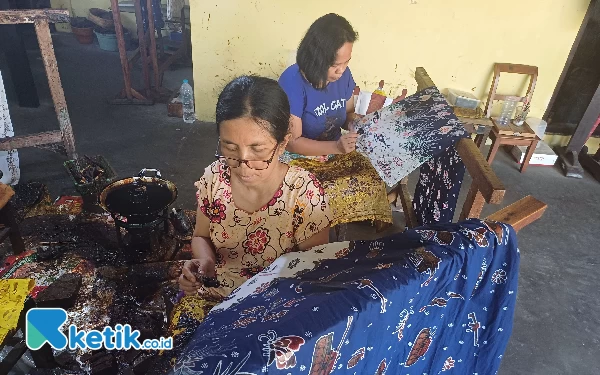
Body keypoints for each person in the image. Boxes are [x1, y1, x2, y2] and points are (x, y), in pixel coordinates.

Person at [174, 76, 332, 331]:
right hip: (216, 293)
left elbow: (312, 271)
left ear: (282, 144)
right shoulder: (215, 179)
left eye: (257, 149)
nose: (243, 163)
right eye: (230, 147)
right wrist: (206, 263)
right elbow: (201, 236)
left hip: (276, 306)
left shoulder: (304, 194)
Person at [278, 13, 392, 232]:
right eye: (334, 65)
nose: (341, 71)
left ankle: (348, 217)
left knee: (373, 179)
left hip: (334, 150)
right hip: (299, 156)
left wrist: (355, 124)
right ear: (316, 59)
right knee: (308, 192)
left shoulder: (344, 75)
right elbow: (293, 143)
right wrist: (336, 147)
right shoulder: (292, 82)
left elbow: (348, 112)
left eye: (346, 62)